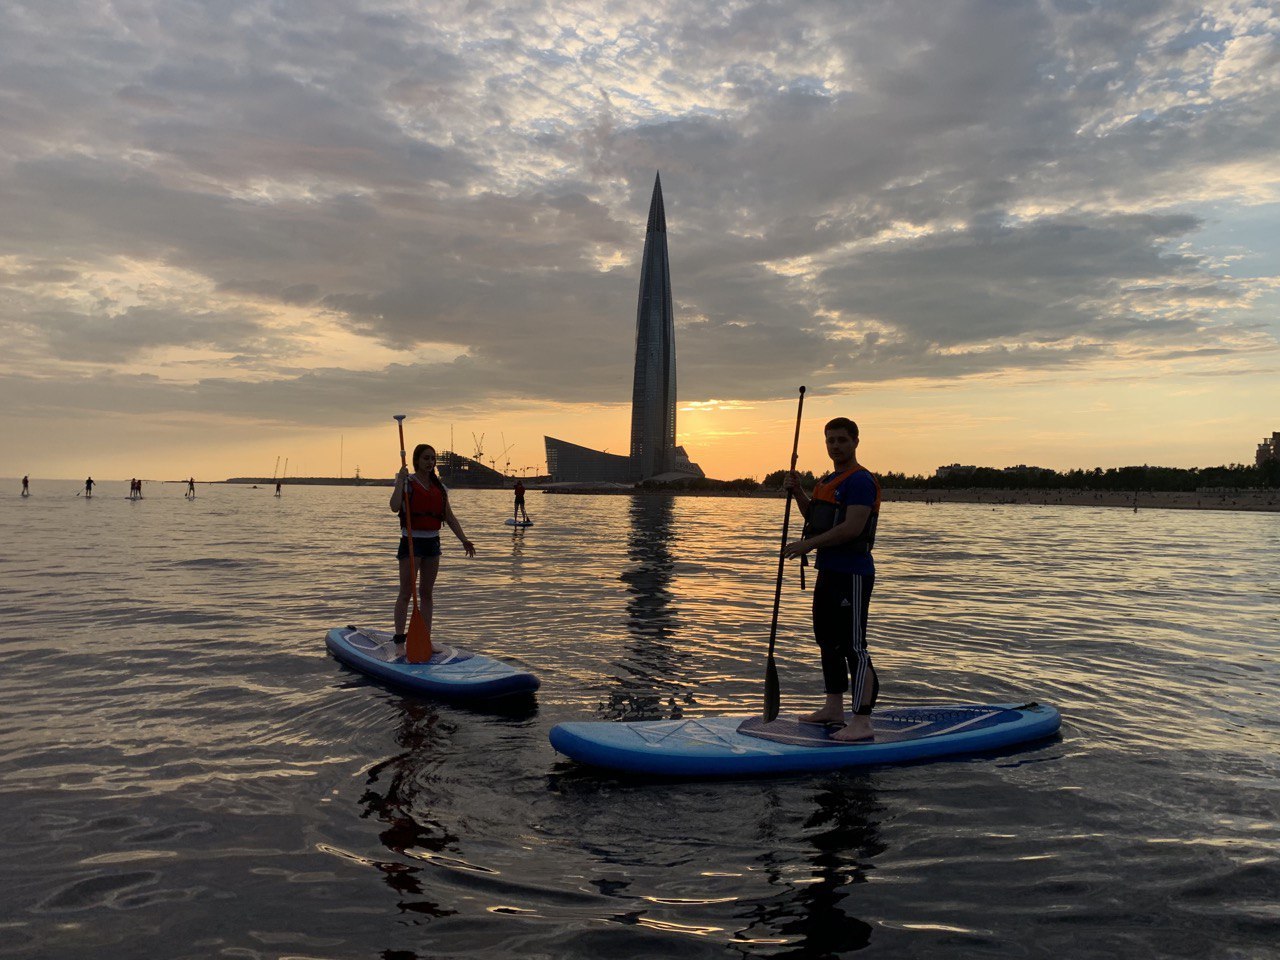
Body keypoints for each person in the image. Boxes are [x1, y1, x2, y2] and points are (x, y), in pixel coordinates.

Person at [782, 417, 882, 742]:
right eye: (830, 441)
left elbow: (852, 528)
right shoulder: (827, 480)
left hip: (852, 573)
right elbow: (814, 517)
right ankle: (833, 708)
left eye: (841, 440)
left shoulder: (861, 481)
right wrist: (797, 492)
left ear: (855, 441)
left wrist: (806, 545)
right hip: (828, 572)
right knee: (827, 641)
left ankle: (862, 721)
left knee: (854, 646)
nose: (835, 446)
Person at [389, 443, 475, 648]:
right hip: (411, 542)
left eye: (432, 459)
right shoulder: (407, 483)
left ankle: (424, 638)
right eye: (426, 458)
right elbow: (393, 507)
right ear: (417, 460)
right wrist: (400, 481)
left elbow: (450, 517)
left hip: (432, 543)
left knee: (426, 593)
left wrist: (463, 539)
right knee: (406, 592)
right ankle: (400, 639)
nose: (430, 462)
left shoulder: (440, 488)